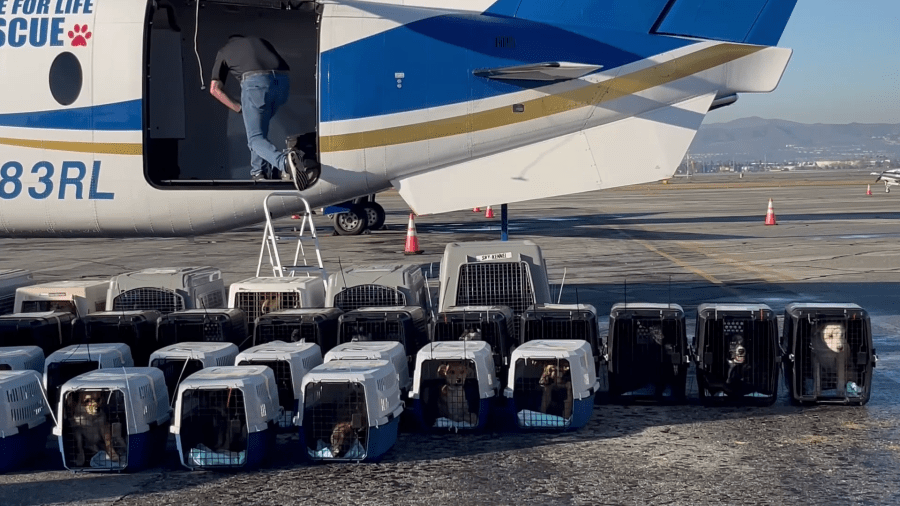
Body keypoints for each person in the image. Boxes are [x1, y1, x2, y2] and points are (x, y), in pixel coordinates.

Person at [209, 35, 315, 189]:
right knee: (260, 133)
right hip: (282, 83)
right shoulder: (260, 41)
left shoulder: (225, 51)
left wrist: (237, 108)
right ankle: (259, 173)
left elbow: (215, 89)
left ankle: (284, 163)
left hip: (256, 85)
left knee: (254, 138)